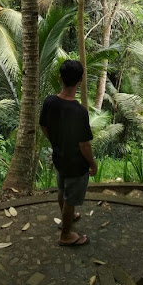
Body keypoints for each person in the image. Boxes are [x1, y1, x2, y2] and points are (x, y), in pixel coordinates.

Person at [39, 59, 97, 246]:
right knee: (71, 198)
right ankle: (65, 235)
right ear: (80, 80)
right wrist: (93, 164)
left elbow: (44, 126)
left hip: (60, 158)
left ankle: (67, 219)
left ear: (60, 77)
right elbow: (84, 145)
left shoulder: (49, 102)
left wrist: (56, 143)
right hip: (76, 164)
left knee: (62, 190)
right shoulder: (79, 111)